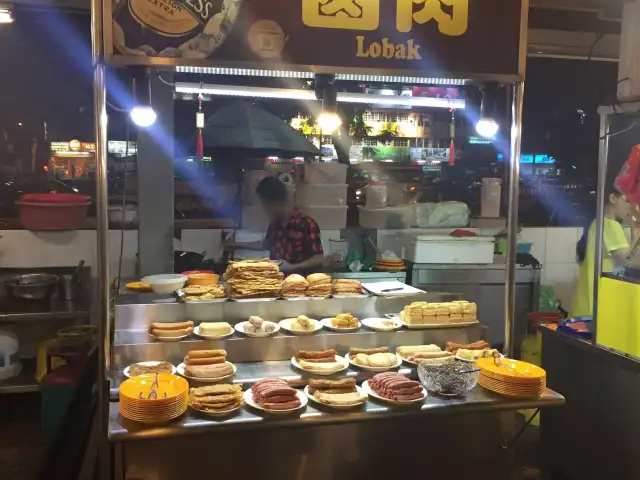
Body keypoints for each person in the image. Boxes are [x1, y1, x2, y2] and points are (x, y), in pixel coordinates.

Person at [227, 176, 324, 273]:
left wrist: (294, 267)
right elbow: (265, 244)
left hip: (299, 283)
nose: (265, 210)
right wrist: (236, 245)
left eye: (266, 206)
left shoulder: (306, 224)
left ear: (277, 202)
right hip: (275, 281)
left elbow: (318, 258)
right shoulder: (275, 224)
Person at [570, 185, 631, 318]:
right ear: (613, 198)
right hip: (598, 311)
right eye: (627, 201)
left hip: (584, 307)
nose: (630, 206)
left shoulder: (595, 224)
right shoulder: (610, 225)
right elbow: (627, 261)